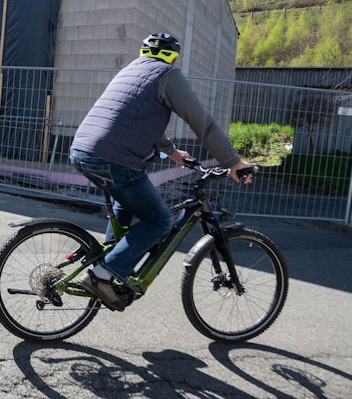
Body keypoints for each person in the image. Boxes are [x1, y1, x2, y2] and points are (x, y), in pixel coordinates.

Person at [69, 32, 254, 311]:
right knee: (160, 221)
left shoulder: (130, 71)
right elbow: (203, 123)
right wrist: (233, 162)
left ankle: (108, 265)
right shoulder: (169, 75)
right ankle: (102, 276)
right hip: (115, 160)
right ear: (175, 57)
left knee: (126, 201)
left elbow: (138, 120)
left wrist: (174, 152)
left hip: (82, 152)